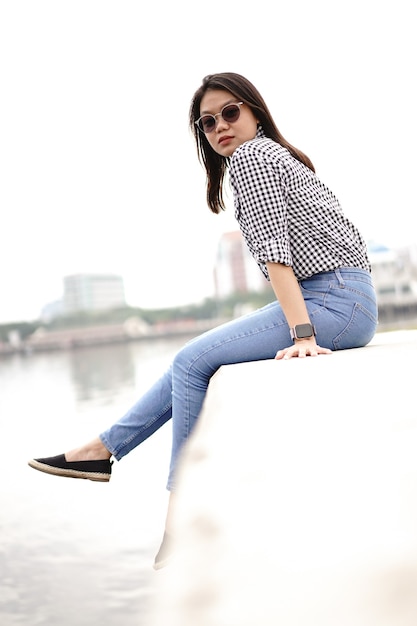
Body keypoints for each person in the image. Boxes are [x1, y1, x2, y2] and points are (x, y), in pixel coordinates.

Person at [28, 72, 378, 570]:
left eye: (230, 113)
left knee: (192, 362)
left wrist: (303, 334)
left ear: (255, 110)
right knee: (192, 358)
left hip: (333, 302)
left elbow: (276, 254)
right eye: (207, 122)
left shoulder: (253, 157)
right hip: (349, 298)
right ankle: (101, 449)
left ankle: (182, 517)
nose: (220, 128)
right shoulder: (283, 156)